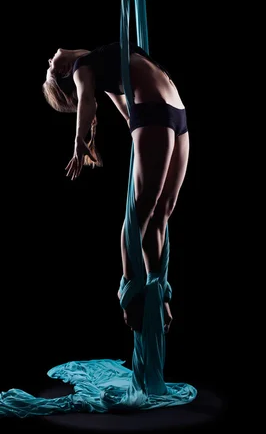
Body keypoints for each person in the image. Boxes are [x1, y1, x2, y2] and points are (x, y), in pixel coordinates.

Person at [43, 42, 189, 334]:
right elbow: (87, 101)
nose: (50, 58)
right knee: (142, 212)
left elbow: (125, 111)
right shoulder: (79, 69)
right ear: (61, 72)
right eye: (49, 66)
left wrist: (134, 131)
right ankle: (130, 293)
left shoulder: (100, 63)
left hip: (176, 114)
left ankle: (159, 293)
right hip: (155, 113)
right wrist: (79, 139)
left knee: (162, 213)